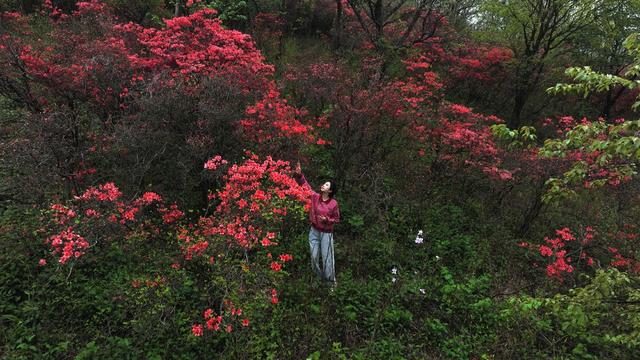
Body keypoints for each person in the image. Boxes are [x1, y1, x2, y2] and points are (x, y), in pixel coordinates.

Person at [293, 161, 340, 288]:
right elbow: (305, 186)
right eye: (324, 184)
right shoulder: (315, 197)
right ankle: (320, 280)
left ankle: (330, 284)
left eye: (326, 185)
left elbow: (336, 219)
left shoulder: (333, 203)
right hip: (314, 231)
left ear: (330, 190)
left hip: (326, 233)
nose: (323, 185)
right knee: (314, 258)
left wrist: (327, 220)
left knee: (327, 259)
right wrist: (299, 175)